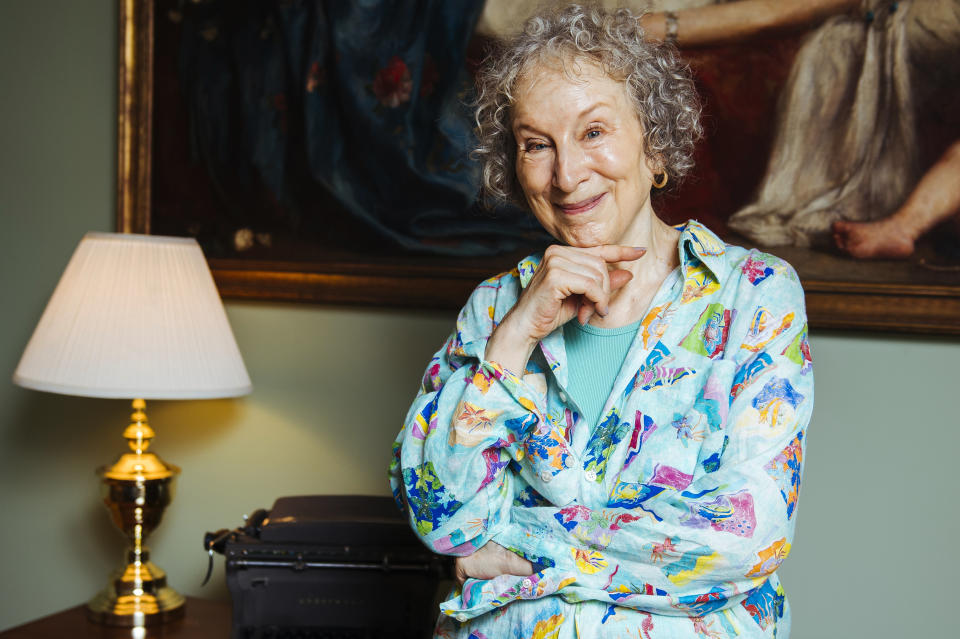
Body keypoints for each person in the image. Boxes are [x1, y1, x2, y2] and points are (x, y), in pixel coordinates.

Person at [389, 5, 813, 637]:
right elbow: (446, 521)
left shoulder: (753, 295)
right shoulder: (494, 309)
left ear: (656, 143)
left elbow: (747, 535)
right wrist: (514, 339)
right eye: (537, 145)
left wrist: (530, 552)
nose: (566, 175)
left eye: (593, 133)